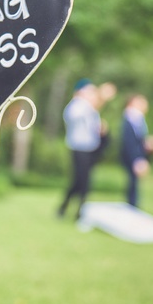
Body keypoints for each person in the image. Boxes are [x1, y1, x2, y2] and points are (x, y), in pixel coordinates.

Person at [58, 79, 116, 219]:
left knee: (79, 181)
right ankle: (80, 213)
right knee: (83, 181)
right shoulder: (76, 106)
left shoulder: (90, 108)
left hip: (91, 148)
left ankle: (64, 208)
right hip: (79, 148)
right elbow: (76, 116)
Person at [119, 94, 153, 208]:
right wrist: (136, 160)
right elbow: (129, 142)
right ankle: (131, 207)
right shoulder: (131, 118)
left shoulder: (139, 119)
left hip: (137, 155)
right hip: (132, 157)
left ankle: (133, 206)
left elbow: (138, 140)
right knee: (132, 183)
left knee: (134, 184)